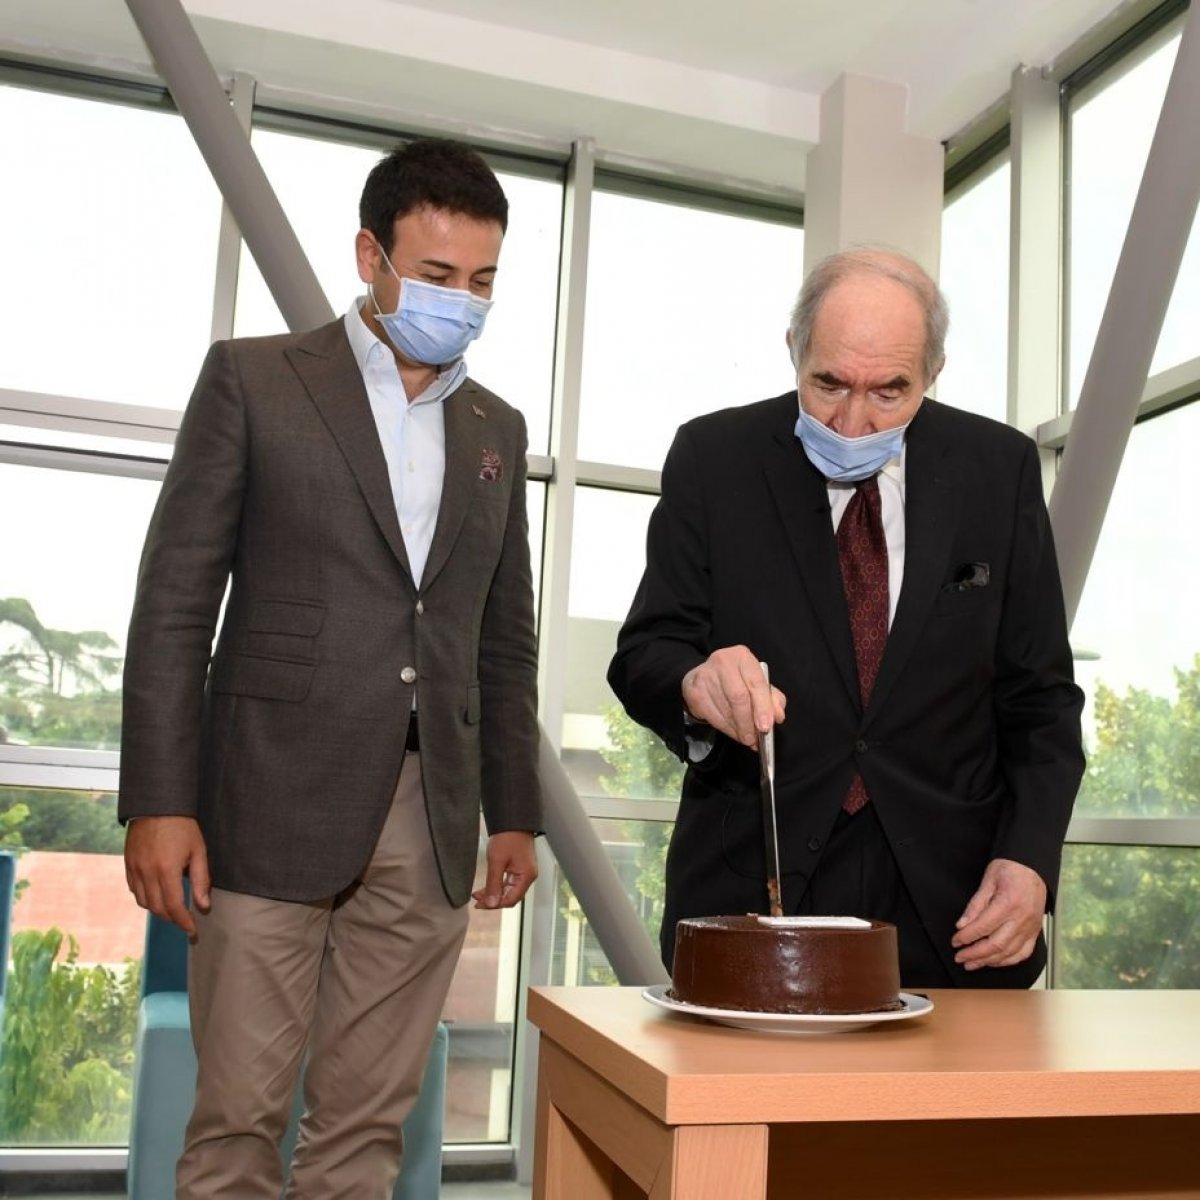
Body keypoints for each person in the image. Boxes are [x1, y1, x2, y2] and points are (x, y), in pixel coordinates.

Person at [119, 137, 541, 1198]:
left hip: (430, 813)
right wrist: (160, 800)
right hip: (267, 798)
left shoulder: (496, 427)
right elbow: (175, 602)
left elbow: (503, 639)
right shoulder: (255, 380)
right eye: (437, 275)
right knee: (237, 1124)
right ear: (370, 256)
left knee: (366, 1134)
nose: (462, 302)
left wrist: (515, 812)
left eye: (482, 280)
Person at [607, 248, 1084, 990]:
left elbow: (1041, 700)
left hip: (954, 909)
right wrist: (695, 684)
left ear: (933, 372)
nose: (854, 422)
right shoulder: (715, 457)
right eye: (828, 384)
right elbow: (647, 650)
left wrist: (1028, 859)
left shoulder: (999, 470)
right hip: (754, 889)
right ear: (793, 350)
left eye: (890, 391)